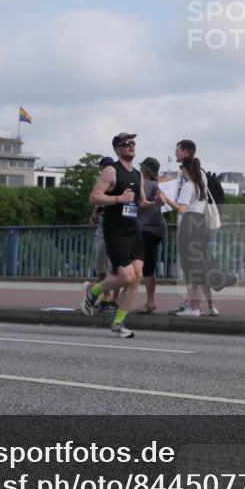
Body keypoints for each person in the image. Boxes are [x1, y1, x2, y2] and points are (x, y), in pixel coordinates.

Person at [80, 133, 162, 338]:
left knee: (136, 278)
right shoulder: (111, 170)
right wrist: (119, 198)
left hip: (133, 230)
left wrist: (155, 205)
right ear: (117, 149)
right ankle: (94, 291)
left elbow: (141, 202)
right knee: (126, 277)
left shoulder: (137, 174)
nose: (130, 146)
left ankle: (118, 323)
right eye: (125, 144)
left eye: (133, 143)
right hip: (115, 230)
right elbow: (94, 197)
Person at [156, 139, 232, 318]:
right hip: (201, 224)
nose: (175, 153)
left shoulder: (189, 184)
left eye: (177, 150)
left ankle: (193, 307)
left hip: (190, 225)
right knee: (200, 265)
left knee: (193, 269)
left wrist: (166, 200)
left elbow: (182, 207)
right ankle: (206, 305)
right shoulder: (200, 182)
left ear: (185, 154)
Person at [135, 156, 166, 314]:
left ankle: (150, 302)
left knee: (141, 265)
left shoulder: (146, 185)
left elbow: (143, 202)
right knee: (149, 265)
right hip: (157, 229)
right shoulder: (156, 184)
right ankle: (150, 301)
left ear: (144, 170)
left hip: (146, 229)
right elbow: (160, 195)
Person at [90, 156, 118, 313]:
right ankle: (108, 297)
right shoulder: (102, 181)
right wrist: (95, 213)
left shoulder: (116, 180)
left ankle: (111, 298)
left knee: (114, 265)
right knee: (103, 264)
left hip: (114, 226)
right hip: (103, 226)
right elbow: (98, 203)